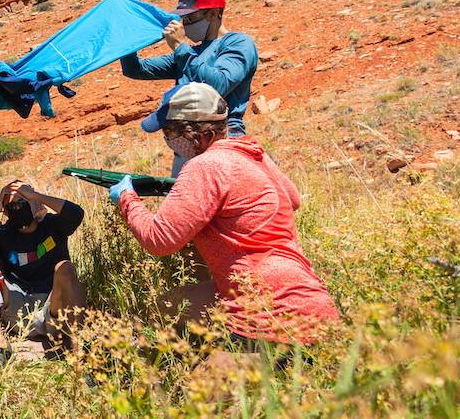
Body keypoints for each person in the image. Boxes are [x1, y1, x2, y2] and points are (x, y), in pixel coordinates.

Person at [108, 82, 340, 350]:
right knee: (171, 303)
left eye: (170, 133)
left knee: (210, 388)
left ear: (195, 134)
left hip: (267, 310)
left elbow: (159, 239)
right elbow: (293, 198)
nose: (170, 142)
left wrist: (127, 198)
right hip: (309, 299)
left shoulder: (204, 165)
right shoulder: (252, 153)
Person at [120, 0, 258, 175]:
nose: (185, 24)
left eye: (191, 17)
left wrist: (179, 47)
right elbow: (135, 69)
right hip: (188, 142)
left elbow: (218, 85)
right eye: (183, 18)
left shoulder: (237, 43)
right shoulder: (190, 53)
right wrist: (128, 42)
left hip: (222, 138)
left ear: (213, 13)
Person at [0, 181, 87, 363]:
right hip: (19, 312)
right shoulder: (1, 234)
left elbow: (76, 213)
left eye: (23, 202)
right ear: (5, 211)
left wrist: (36, 196)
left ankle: (80, 347)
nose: (17, 208)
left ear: (35, 204)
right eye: (12, 206)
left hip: (53, 307)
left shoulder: (52, 226)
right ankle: (1, 347)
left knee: (66, 268)